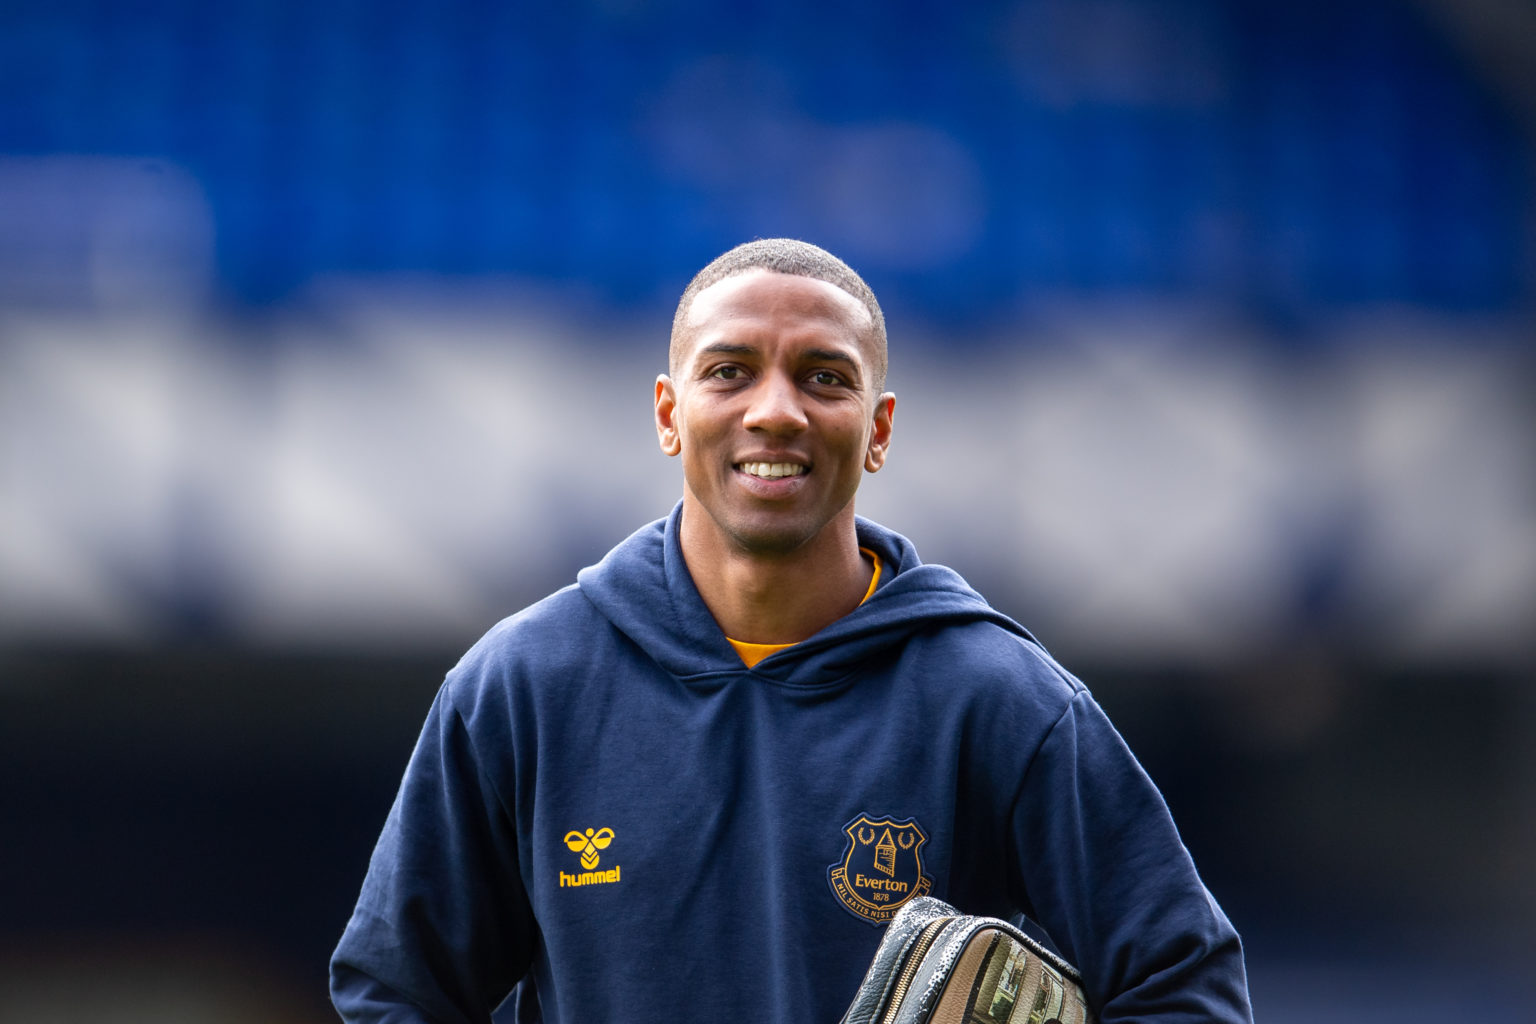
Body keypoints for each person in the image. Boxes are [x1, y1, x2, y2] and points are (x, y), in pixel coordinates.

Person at [330, 239, 1253, 1023]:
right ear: (668, 413)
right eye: (730, 371)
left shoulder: (1001, 699)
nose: (776, 410)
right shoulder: (521, 686)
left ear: (879, 428)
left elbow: (1185, 985)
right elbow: (394, 993)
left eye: (824, 377)